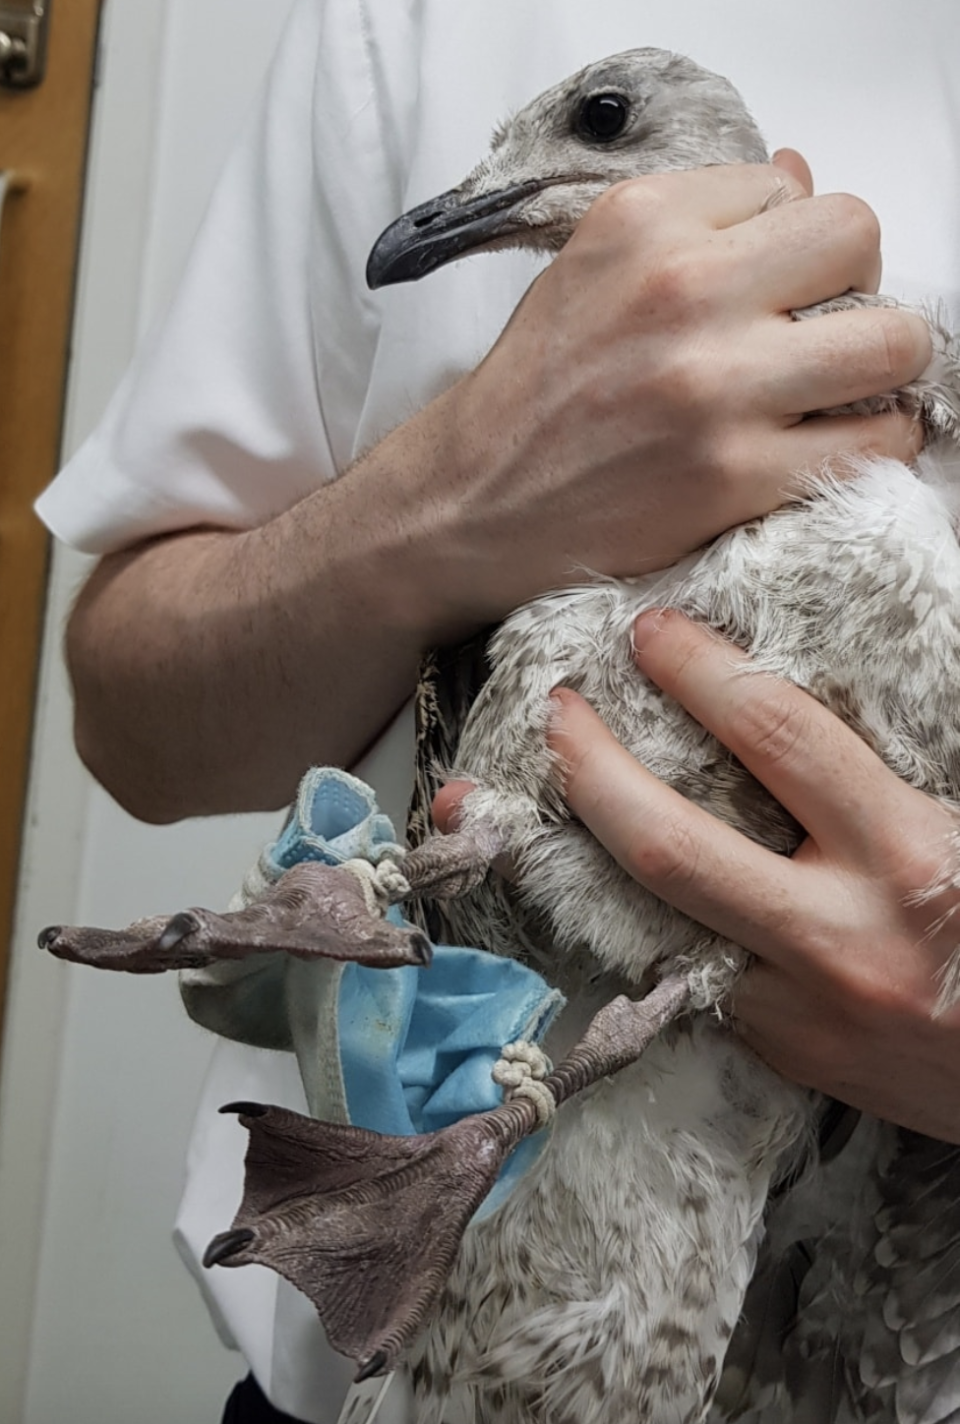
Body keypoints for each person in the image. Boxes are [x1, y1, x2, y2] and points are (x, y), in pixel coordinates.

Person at [35, 1, 960, 1419]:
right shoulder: (398, 22)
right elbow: (128, 719)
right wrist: (461, 485)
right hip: (390, 1342)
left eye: (591, 128)